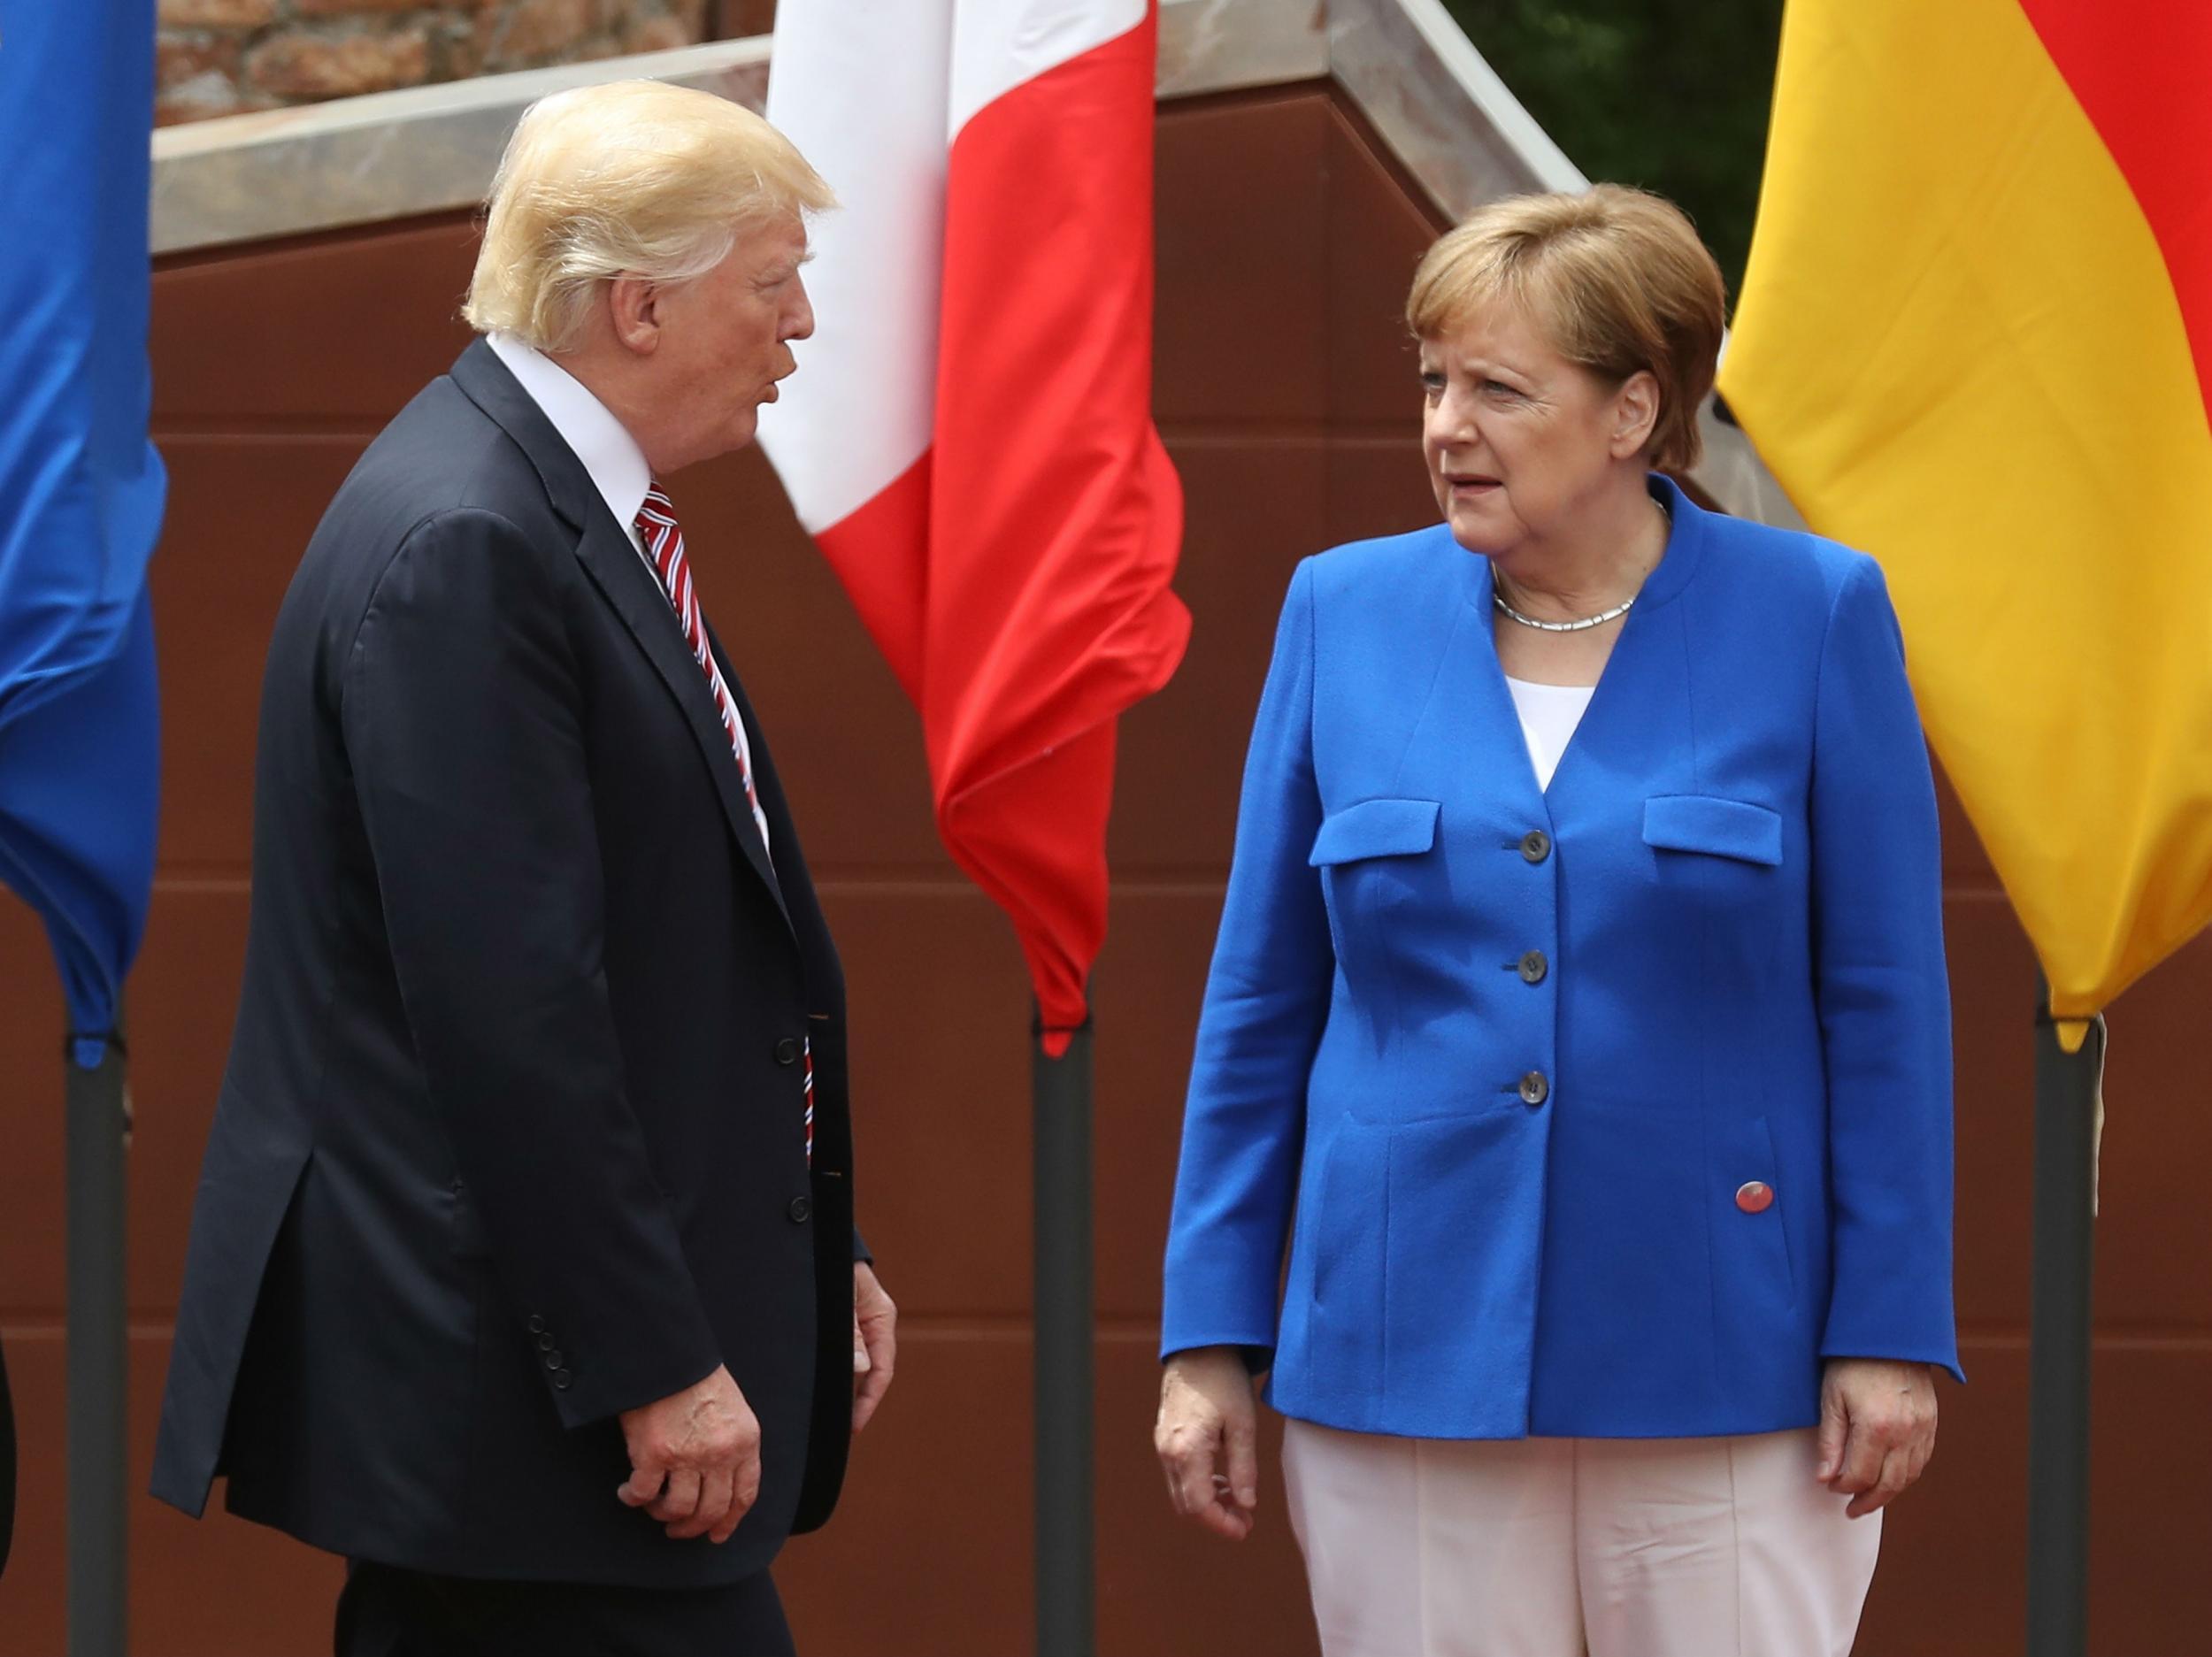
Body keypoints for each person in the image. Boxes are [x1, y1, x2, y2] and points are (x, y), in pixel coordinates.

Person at [1154, 185, 1957, 1656]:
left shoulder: (1816, 610)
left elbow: (1886, 999)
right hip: (1401, 1347)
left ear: (1633, 410)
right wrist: (1209, 1333)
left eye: (1499, 390)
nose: (1447, 424)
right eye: (1432, 381)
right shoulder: (1343, 610)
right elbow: (1262, 1001)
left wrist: (1889, 1327)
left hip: (1728, 1356)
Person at [149, 81, 895, 1657]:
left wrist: (812, 1244)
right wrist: (652, 1358)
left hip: (542, 1420)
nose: (804, 323)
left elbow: (654, 965)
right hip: (536, 1425)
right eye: (770, 282)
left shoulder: (540, 509)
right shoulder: (473, 541)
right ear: (637, 305)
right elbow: (512, 1017)